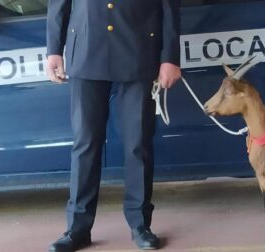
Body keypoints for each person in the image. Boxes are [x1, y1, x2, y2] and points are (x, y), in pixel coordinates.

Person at [45, 0, 181, 251]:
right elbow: (59, 3)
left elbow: (170, 6)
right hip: (86, 49)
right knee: (85, 143)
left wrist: (170, 57)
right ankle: (77, 228)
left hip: (138, 49)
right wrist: (54, 48)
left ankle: (140, 224)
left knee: (137, 143)